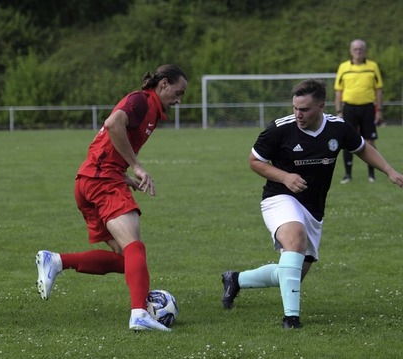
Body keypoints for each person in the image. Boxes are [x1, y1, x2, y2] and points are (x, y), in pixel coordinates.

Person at [221, 79, 403, 329]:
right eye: (295, 108)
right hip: (279, 197)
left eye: (304, 109)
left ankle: (236, 279)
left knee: (293, 274)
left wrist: (389, 171)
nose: (298, 114)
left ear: (321, 106)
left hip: (313, 208)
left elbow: (362, 148)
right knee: (295, 239)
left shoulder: (338, 128)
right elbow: (255, 161)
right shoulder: (280, 128)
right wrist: (285, 176)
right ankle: (291, 319)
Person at [35, 64, 188, 332]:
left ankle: (56, 261)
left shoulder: (150, 108)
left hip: (90, 180)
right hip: (101, 181)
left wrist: (125, 175)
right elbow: (113, 123)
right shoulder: (141, 101)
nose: (179, 100)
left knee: (124, 257)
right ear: (163, 84)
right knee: (135, 249)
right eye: (178, 92)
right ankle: (139, 314)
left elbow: (107, 144)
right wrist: (137, 167)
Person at [334, 39, 384, 184]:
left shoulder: (372, 66)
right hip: (349, 108)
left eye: (361, 49)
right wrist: (339, 110)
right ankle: (348, 175)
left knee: (370, 140)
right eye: (355, 49)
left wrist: (379, 110)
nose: (358, 51)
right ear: (351, 51)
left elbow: (379, 90)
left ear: (365, 51)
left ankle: (371, 174)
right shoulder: (343, 67)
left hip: (368, 108)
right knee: (347, 140)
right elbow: (338, 91)